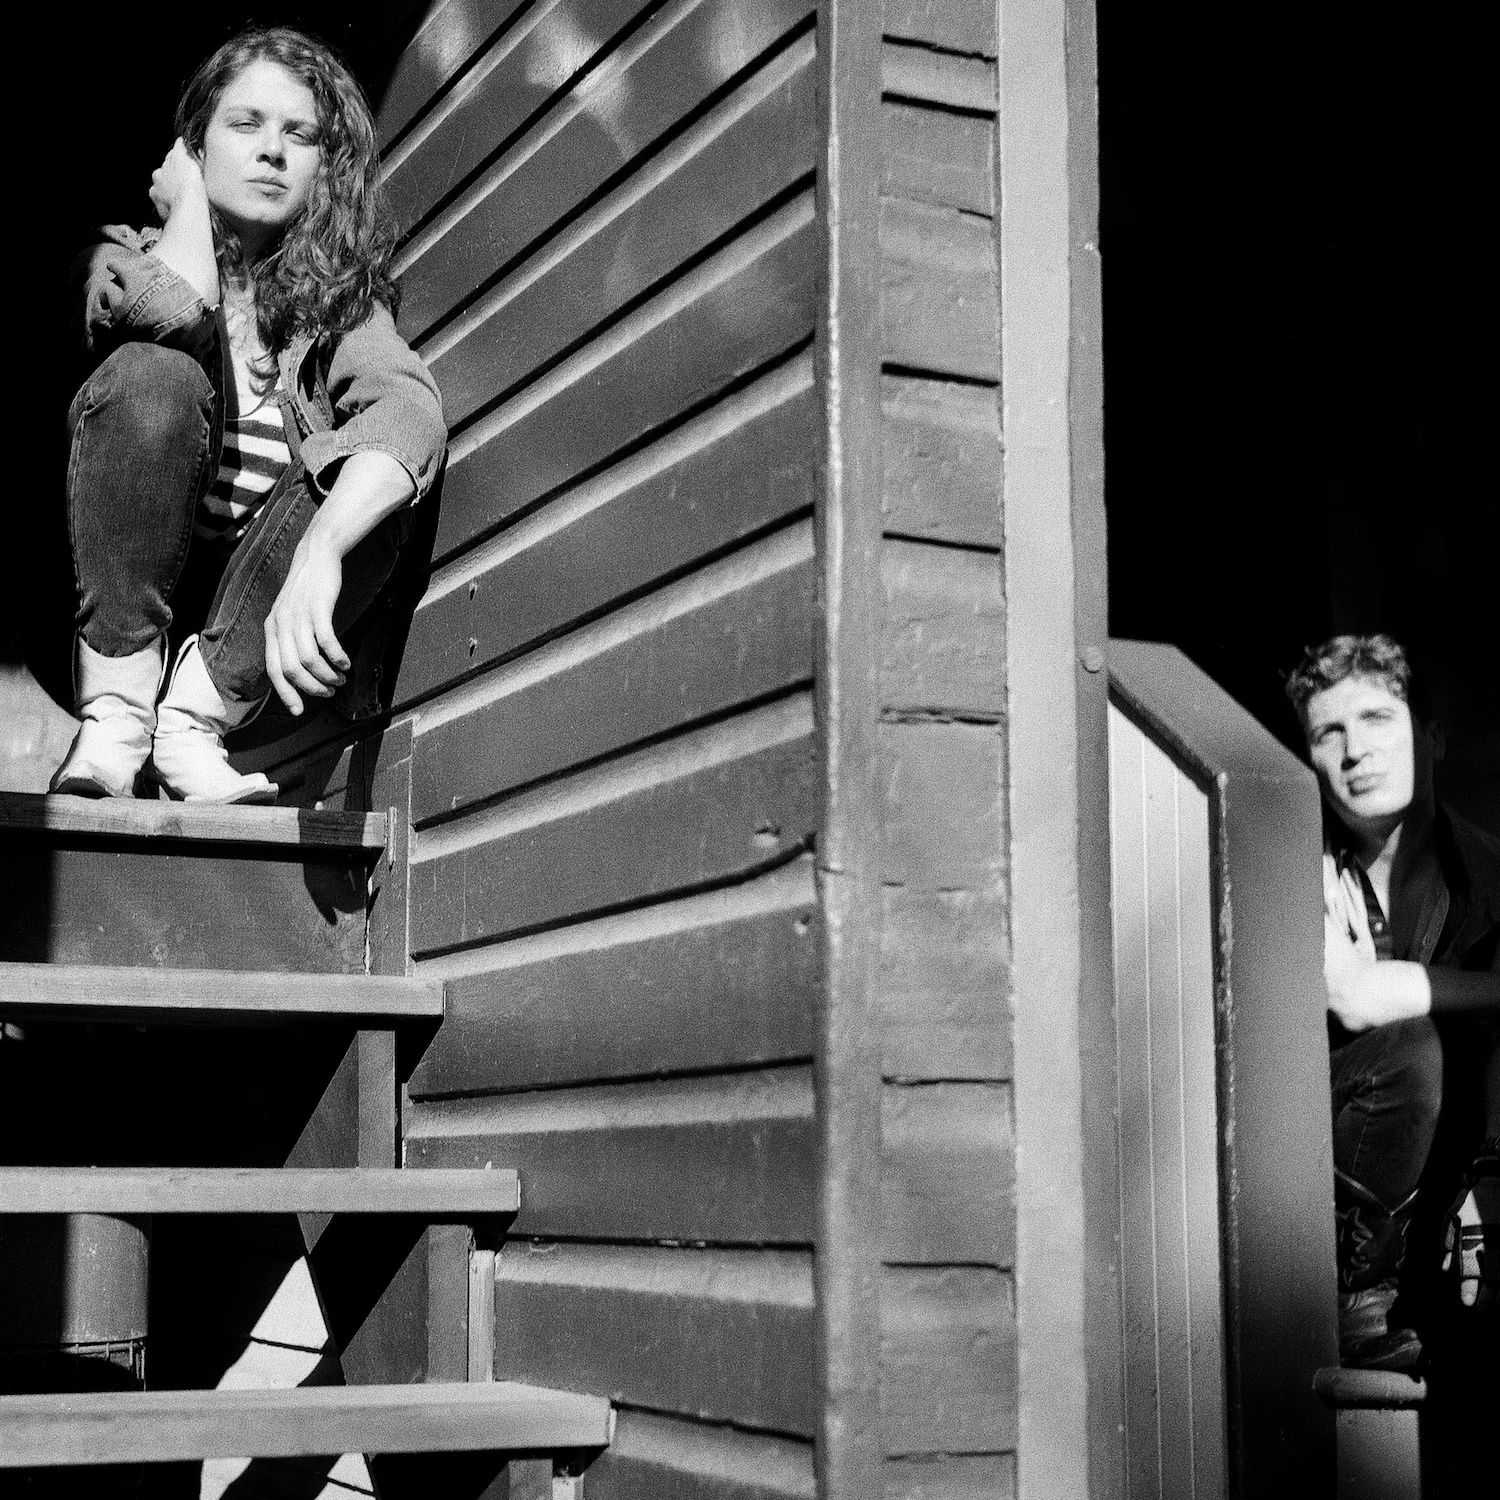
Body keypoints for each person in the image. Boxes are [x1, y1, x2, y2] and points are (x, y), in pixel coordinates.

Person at [50, 26, 445, 802]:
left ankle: (189, 729)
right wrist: (190, 201)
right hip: (102, 613)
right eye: (245, 124)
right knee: (155, 377)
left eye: (299, 134)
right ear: (194, 146)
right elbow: (172, 308)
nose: (272, 151)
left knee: (370, 480)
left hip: (243, 649)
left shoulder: (336, 310)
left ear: (323, 167)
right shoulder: (115, 257)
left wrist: (324, 547)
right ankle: (116, 721)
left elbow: (410, 412)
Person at [1288, 634, 1500, 1368]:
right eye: (1328, 733)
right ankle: (1356, 1301)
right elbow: (1351, 997)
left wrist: (1491, 1174)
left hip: (1456, 1174)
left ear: (1432, 736)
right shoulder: (1293, 852)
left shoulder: (1487, 872)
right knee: (1410, 1048)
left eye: (1377, 718)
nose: (1355, 752)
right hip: (1313, 1169)